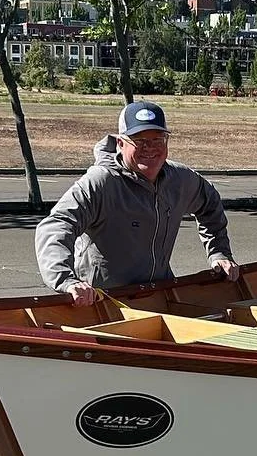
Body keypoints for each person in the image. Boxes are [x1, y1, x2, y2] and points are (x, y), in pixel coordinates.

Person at [34, 100, 240, 304]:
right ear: (120, 143)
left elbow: (209, 203)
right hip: (101, 301)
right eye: (139, 141)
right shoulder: (102, 182)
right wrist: (67, 281)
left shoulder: (179, 179)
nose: (149, 148)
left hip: (158, 294)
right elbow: (56, 225)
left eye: (158, 140)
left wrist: (219, 252)